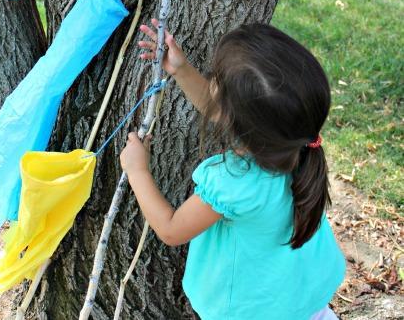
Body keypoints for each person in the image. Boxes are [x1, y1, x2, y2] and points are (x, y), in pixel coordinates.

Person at [120, 19, 346, 320]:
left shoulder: (232, 182)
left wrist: (138, 171)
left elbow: (172, 229)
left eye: (215, 78)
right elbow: (226, 113)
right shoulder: (296, 143)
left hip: (254, 311)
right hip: (306, 300)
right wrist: (180, 69)